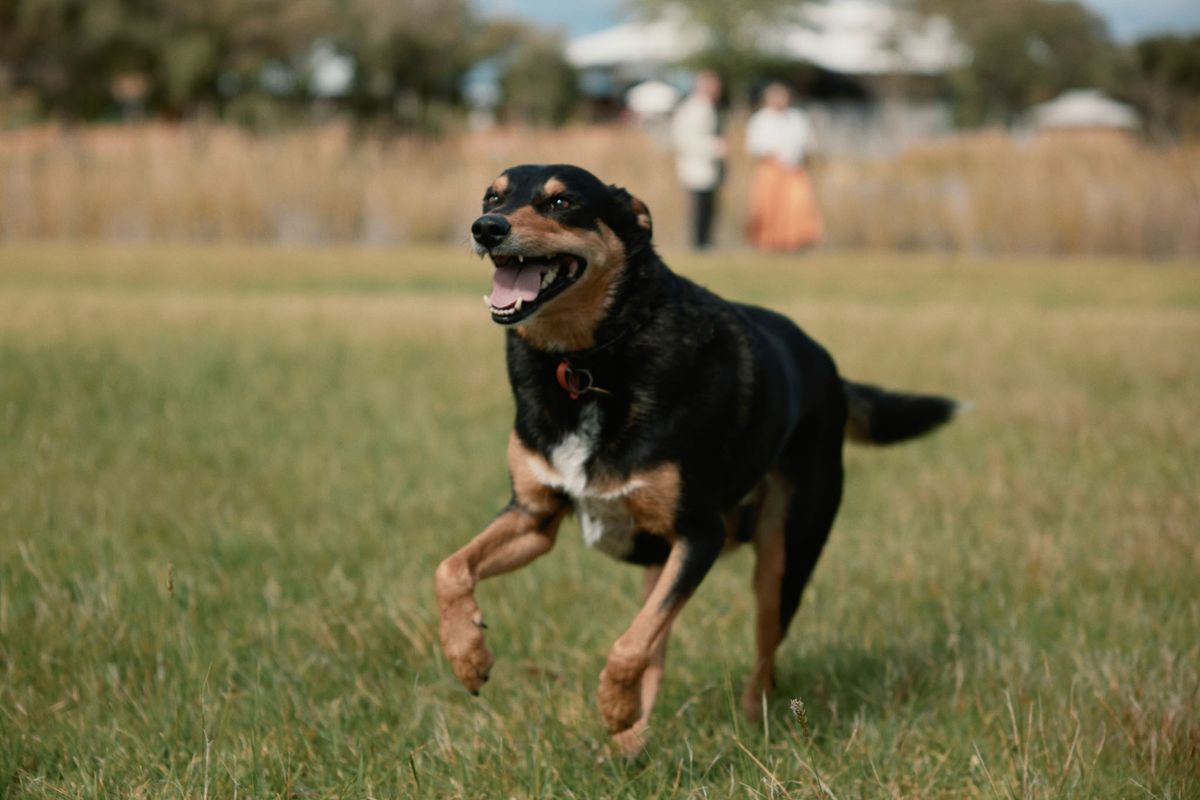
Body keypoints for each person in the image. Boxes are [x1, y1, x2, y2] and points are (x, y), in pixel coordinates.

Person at [745, 83, 823, 251]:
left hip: (794, 171)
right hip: (771, 171)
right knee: (769, 209)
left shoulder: (797, 119)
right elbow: (756, 148)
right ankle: (769, 242)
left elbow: (808, 145)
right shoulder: (760, 119)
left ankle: (795, 242)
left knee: (798, 208)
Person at [670, 70, 726, 250]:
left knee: (709, 205)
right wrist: (713, 147)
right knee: (700, 206)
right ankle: (699, 243)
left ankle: (706, 241)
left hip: (709, 165)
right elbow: (684, 138)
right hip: (698, 164)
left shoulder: (708, 106)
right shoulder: (693, 108)